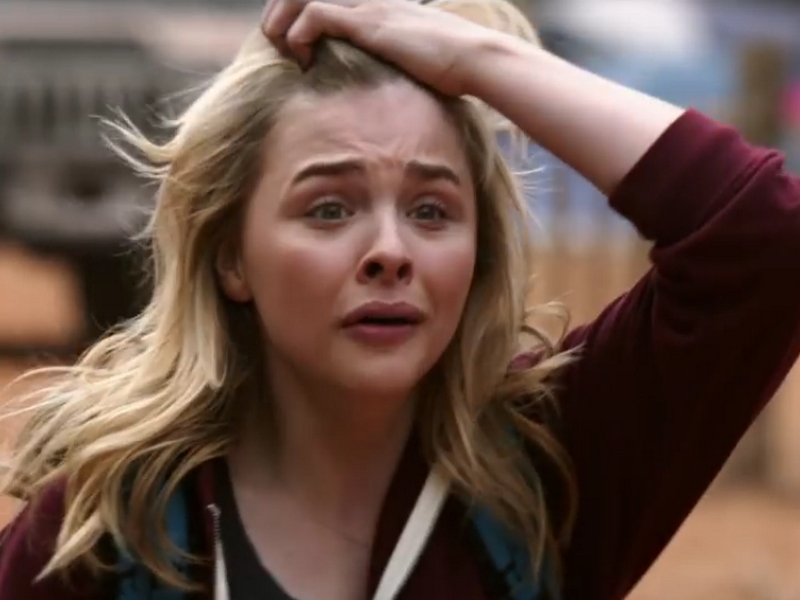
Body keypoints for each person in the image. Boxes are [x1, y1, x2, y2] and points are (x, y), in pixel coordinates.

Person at [2, 1, 800, 599]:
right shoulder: (117, 529)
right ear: (231, 259)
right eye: (329, 208)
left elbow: (767, 242)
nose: (391, 251)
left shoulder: (546, 477)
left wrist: (478, 58)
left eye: (431, 210)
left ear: (478, 253)